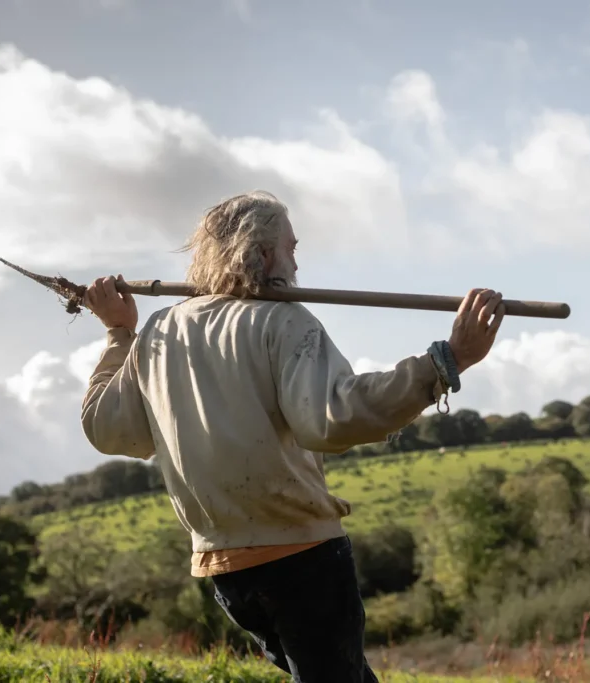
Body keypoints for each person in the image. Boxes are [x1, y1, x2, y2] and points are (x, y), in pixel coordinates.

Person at [79, 190, 506, 682]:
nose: (296, 261)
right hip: (301, 561)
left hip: (226, 570)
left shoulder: (157, 332)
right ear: (263, 255)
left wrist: (119, 335)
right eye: (291, 248)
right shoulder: (282, 321)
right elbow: (334, 418)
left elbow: (108, 429)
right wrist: (446, 361)